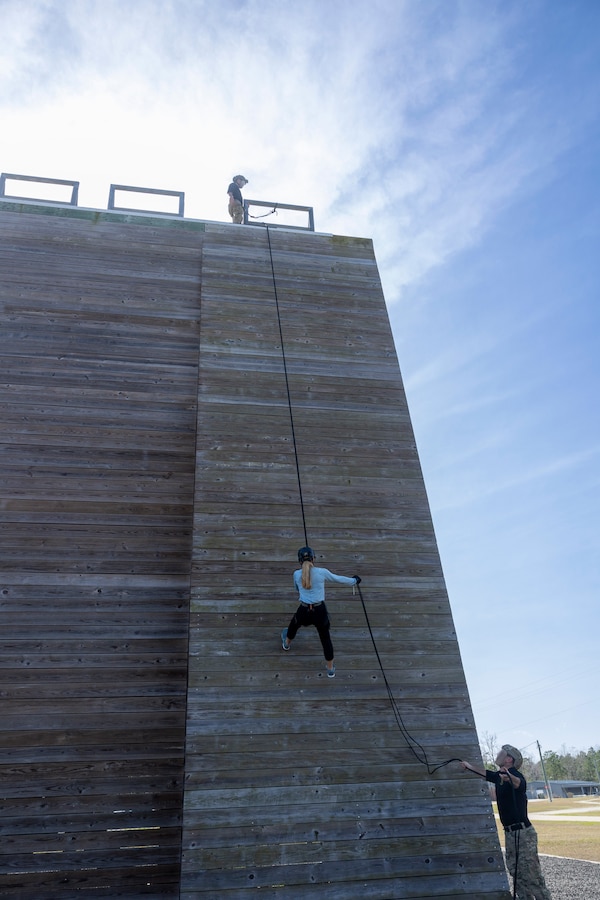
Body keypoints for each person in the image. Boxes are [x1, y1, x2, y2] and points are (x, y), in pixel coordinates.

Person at [461, 745, 552, 899]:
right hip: (510, 833)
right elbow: (487, 775)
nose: (498, 754)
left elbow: (519, 783)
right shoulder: (500, 777)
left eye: (502, 752)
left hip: (523, 834)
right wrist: (468, 767)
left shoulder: (515, 776)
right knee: (517, 873)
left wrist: (509, 777)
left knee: (532, 875)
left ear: (509, 759)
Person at [281, 546, 360, 678]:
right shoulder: (322, 572)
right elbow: (338, 579)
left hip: (304, 609)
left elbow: (297, 589)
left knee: (293, 625)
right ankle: (330, 669)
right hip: (319, 611)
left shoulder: (296, 574)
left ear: (299, 561)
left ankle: (286, 643)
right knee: (325, 638)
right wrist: (354, 581)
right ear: (314, 558)